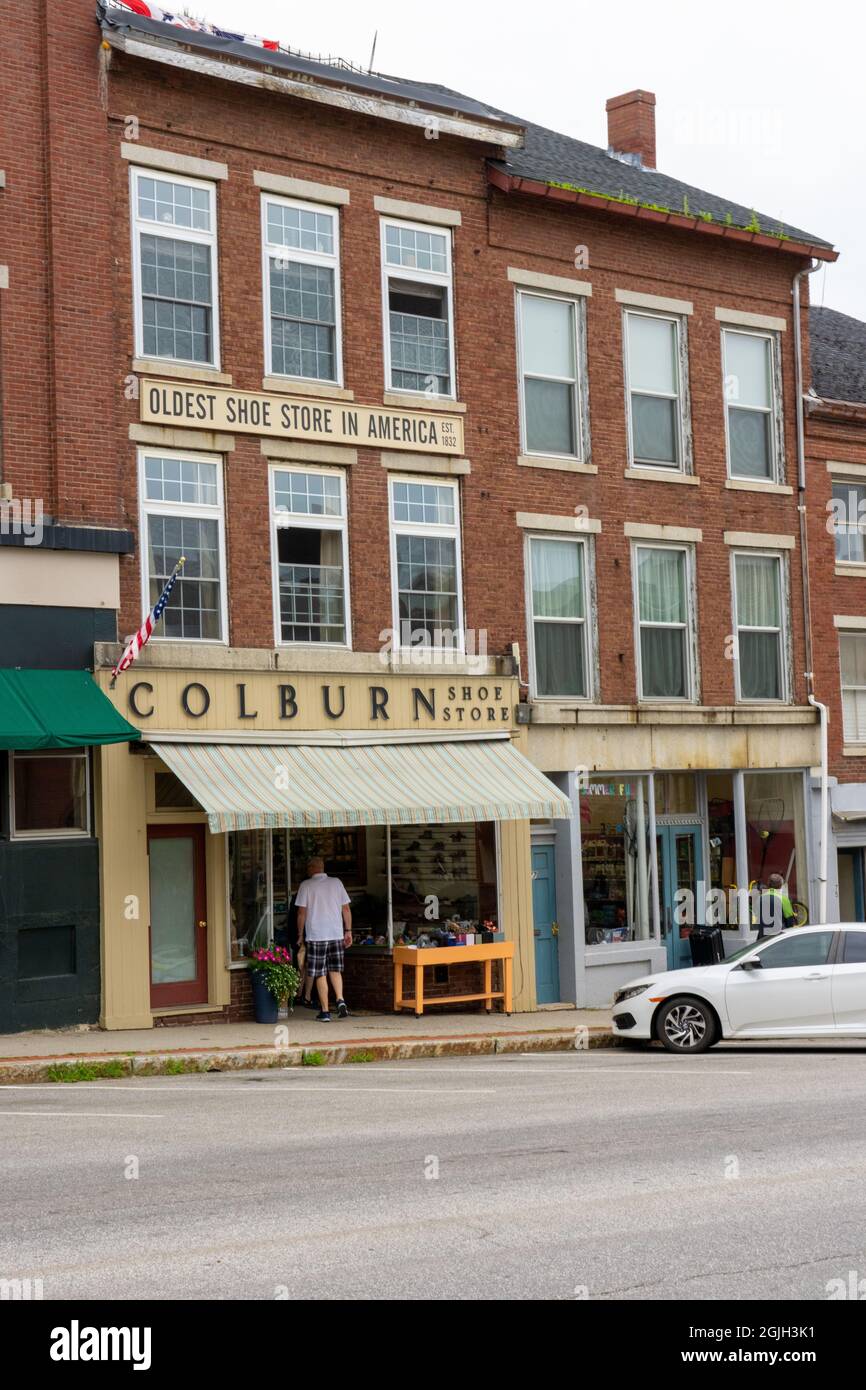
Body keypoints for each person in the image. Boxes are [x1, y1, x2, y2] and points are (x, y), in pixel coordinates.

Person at [294, 857, 352, 1021]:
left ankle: (325, 1011)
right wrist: (348, 931)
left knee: (320, 973)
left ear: (312, 868)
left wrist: (300, 934)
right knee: (335, 970)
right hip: (336, 933)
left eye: (308, 867)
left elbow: (301, 913)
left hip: (316, 935)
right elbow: (346, 909)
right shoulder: (336, 883)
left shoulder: (306, 885)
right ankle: (340, 999)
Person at [756, 873, 796, 939]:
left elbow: (757, 917)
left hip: (762, 938)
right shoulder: (783, 899)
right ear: (780, 885)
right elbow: (789, 921)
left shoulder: (759, 898)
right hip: (779, 938)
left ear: (768, 884)